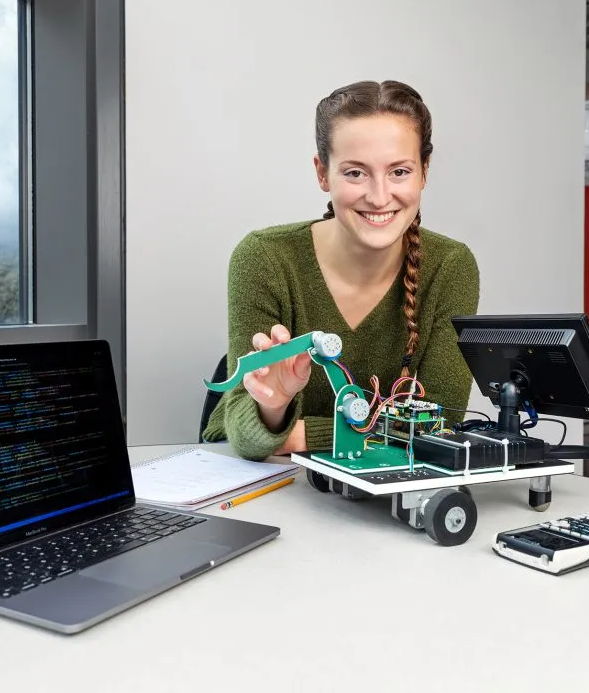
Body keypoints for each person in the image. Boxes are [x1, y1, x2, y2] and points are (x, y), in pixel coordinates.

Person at [202, 80, 481, 460]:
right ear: (322, 173)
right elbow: (248, 437)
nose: (380, 196)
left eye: (399, 171)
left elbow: (439, 427)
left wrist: (302, 434)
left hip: (376, 490)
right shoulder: (264, 258)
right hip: (262, 481)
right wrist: (275, 406)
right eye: (355, 173)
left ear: (424, 172)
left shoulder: (451, 267)